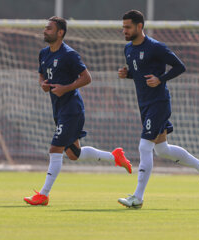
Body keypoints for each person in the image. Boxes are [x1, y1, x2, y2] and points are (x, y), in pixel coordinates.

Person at [24, 16, 132, 206]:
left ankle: (43, 195)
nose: (45, 31)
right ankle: (115, 156)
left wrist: (65, 88)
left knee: (55, 149)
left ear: (60, 33)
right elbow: (41, 73)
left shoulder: (69, 55)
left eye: (49, 28)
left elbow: (87, 77)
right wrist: (42, 84)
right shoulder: (43, 53)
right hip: (58, 109)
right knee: (74, 154)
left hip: (72, 109)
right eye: (45, 28)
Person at [117, 10, 199, 209]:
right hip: (144, 104)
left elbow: (180, 67)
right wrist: (127, 74)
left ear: (139, 27)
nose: (124, 30)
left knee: (145, 146)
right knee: (162, 149)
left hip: (159, 103)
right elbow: (139, 73)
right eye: (123, 27)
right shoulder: (128, 49)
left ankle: (138, 198)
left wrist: (160, 79)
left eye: (128, 27)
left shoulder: (155, 47)